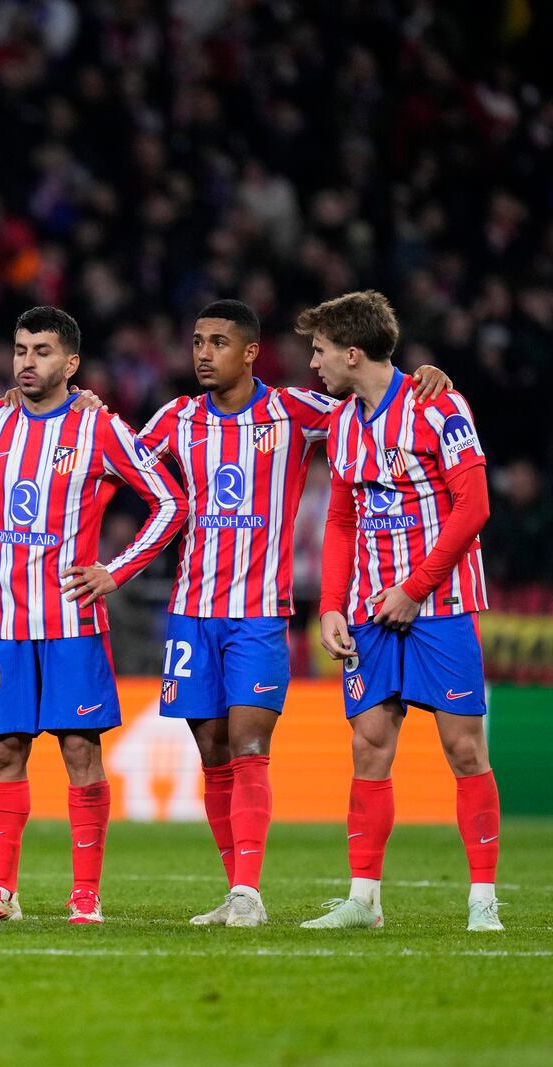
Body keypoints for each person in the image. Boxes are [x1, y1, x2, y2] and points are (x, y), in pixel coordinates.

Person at [140, 300, 452, 927]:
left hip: (259, 612)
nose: (203, 353)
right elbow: (116, 457)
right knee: (213, 750)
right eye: (197, 341)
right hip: (190, 612)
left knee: (251, 743)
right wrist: (81, 408)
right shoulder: (175, 417)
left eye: (218, 342)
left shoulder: (292, 410)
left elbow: (373, 402)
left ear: (250, 352)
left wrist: (426, 381)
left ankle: (250, 894)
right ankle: (235, 890)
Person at [0, 306, 186, 923]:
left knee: (80, 750)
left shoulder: (99, 429)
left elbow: (170, 501)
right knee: (4, 753)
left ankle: (86, 895)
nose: (27, 362)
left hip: (73, 623)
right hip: (4, 623)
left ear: (71, 363)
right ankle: (1, 891)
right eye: (21, 349)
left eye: (43, 351)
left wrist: (116, 570)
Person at [298, 290, 501, 932]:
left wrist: (414, 588)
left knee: (463, 747)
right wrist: (332, 604)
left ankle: (483, 901)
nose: (313, 363)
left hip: (439, 604)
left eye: (321, 350)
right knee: (369, 746)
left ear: (353, 353)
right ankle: (364, 900)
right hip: (368, 610)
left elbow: (474, 509)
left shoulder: (438, 406)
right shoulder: (341, 422)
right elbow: (340, 519)